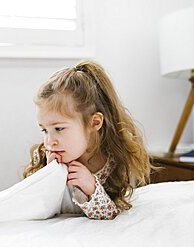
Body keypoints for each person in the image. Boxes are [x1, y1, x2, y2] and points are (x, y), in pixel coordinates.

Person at [23, 60, 153, 220]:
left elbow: (111, 215)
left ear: (95, 123)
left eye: (58, 129)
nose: (49, 141)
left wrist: (92, 187)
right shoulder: (44, 155)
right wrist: (49, 176)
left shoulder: (112, 164)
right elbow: (31, 208)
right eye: (44, 130)